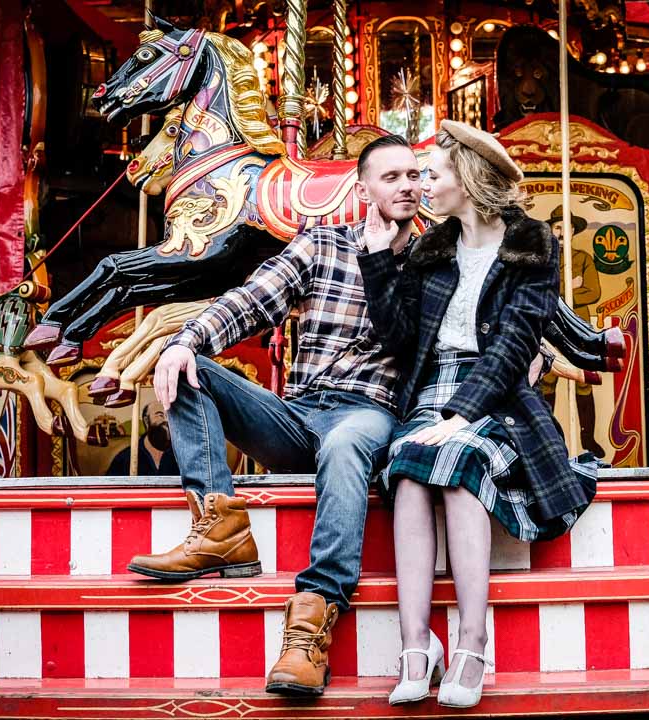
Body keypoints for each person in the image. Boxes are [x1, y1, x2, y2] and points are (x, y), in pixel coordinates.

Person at [128, 134, 424, 697]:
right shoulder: (322, 244)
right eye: (391, 177)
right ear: (362, 189)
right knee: (194, 367)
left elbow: (411, 342)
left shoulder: (430, 260)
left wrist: (384, 262)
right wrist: (186, 339)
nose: (406, 186)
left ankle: (310, 629)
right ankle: (219, 520)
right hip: (300, 412)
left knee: (343, 446)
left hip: (369, 413)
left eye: (413, 175)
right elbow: (251, 298)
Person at [358, 121, 596, 709]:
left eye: (431, 174)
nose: (421, 186)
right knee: (409, 468)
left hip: (500, 397)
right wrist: (377, 260)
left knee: (459, 464)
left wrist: (462, 416)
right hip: (431, 388)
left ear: (465, 178)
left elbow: (515, 344)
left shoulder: (531, 245)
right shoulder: (429, 248)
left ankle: (472, 639)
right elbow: (399, 335)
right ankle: (417, 644)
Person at [540, 205, 607, 457]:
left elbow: (594, 291)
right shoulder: (543, 258)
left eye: (564, 229)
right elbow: (541, 289)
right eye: (556, 228)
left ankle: (587, 437)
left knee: (583, 380)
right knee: (547, 379)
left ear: (572, 232)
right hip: (549, 326)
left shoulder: (583, 259)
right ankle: (549, 439)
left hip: (578, 328)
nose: (560, 233)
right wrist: (569, 287)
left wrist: (565, 291)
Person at [105, 401, 179, 476]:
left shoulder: (179, 455)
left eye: (169, 416)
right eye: (160, 415)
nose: (166, 420)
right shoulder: (126, 458)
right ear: (146, 421)